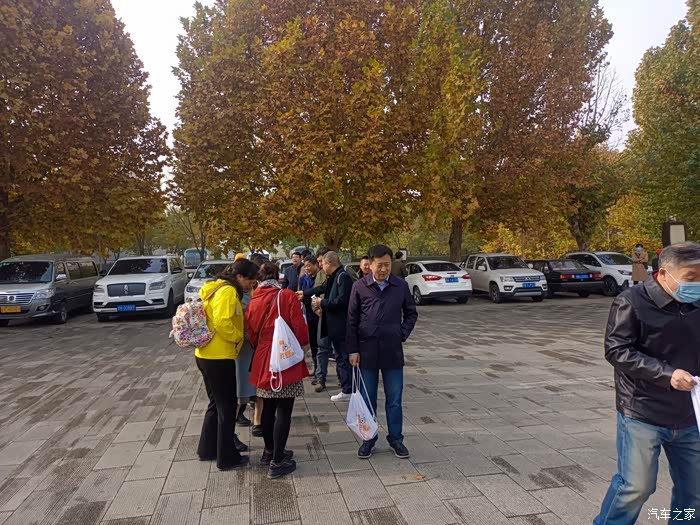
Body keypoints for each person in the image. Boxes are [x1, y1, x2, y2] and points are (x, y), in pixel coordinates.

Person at [593, 242, 700, 525]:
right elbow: (617, 350)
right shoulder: (632, 301)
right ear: (664, 274)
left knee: (695, 492)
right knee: (635, 488)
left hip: (690, 413)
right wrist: (667, 375)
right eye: (691, 277)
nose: (697, 284)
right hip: (643, 410)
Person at [346, 244, 418, 460]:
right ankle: (369, 439)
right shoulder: (359, 287)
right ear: (370, 264)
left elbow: (411, 313)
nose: (384, 269)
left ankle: (396, 439)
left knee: (394, 399)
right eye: (380, 265)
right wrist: (352, 350)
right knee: (367, 399)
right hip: (366, 352)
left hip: (392, 352)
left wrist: (401, 333)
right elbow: (351, 321)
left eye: (387, 265)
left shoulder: (400, 286)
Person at [246, 261, 310, 479]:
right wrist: (302, 345)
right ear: (277, 276)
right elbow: (299, 328)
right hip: (283, 355)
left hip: (263, 357)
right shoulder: (286, 296)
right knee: (284, 409)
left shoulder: (254, 300)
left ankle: (269, 450)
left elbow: (250, 332)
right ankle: (278, 460)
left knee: (267, 407)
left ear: (258, 279)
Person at [195, 259, 258, 470]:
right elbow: (223, 321)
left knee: (215, 404)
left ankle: (207, 449)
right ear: (239, 277)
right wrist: (238, 336)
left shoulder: (215, 288)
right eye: (250, 281)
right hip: (219, 356)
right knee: (227, 407)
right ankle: (227, 458)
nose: (250, 285)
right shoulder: (228, 291)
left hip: (206, 354)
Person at [311, 251, 353, 401]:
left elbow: (342, 301)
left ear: (328, 264)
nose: (321, 266)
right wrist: (306, 294)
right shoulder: (333, 277)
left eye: (322, 263)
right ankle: (346, 388)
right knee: (339, 357)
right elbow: (322, 289)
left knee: (343, 357)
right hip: (333, 325)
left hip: (341, 325)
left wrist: (322, 302)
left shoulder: (343, 277)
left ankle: (348, 389)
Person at [300, 255, 321, 386]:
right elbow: (302, 292)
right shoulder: (304, 278)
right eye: (305, 266)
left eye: (309, 266)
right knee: (313, 342)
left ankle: (320, 372)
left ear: (316, 265)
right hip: (309, 312)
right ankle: (316, 368)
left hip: (319, 312)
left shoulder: (321, 278)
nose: (307, 268)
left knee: (321, 343)